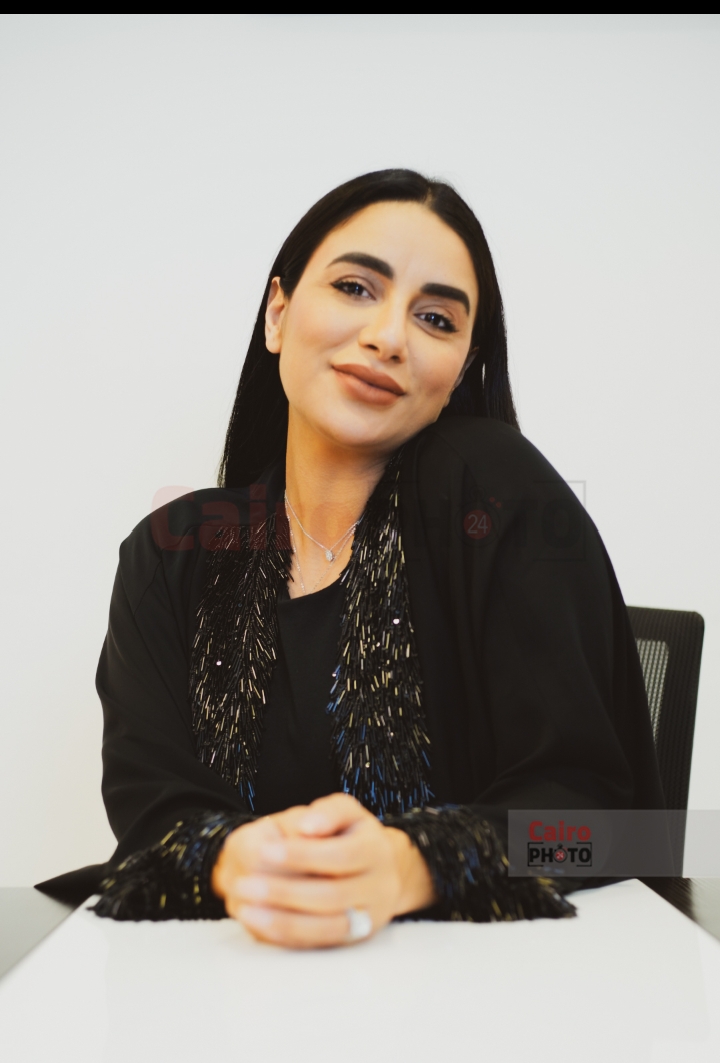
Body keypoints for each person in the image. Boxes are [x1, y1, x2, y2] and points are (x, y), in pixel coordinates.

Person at [39, 169, 664, 948]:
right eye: (355, 288)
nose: (389, 336)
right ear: (277, 312)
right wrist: (238, 860)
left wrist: (412, 863)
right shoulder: (173, 552)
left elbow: (602, 825)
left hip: (484, 986)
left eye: (435, 318)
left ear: (459, 370)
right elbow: (153, 815)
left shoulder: (497, 492)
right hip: (224, 979)